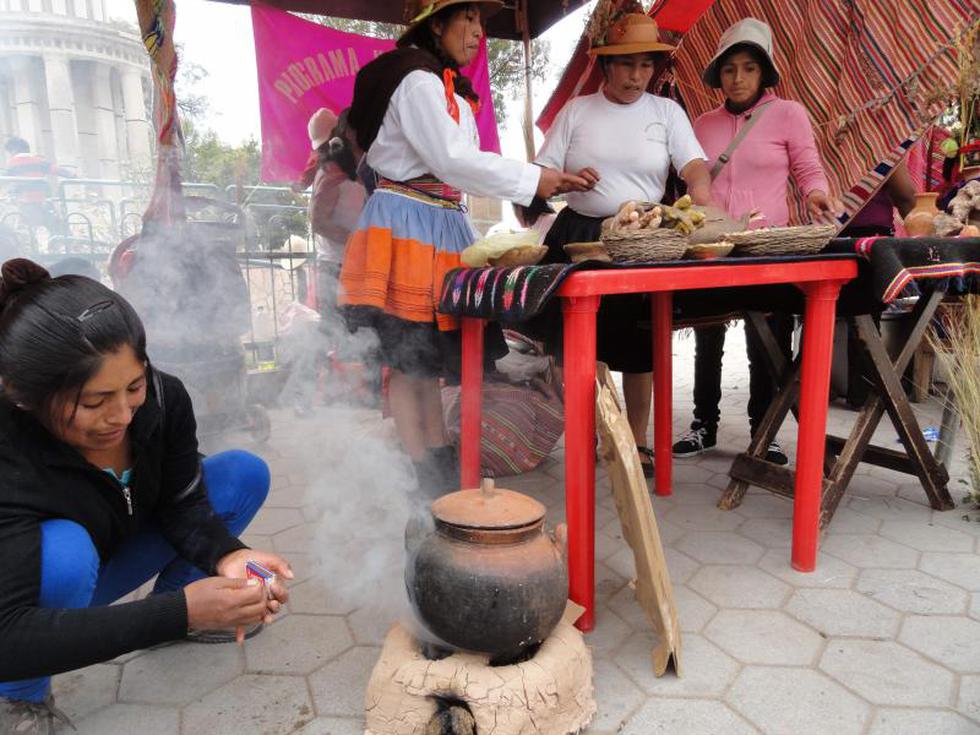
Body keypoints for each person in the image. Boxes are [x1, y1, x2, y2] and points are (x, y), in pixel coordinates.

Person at [0, 259, 292, 734]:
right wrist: (178, 614)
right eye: (94, 402)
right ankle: (21, 700)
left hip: (117, 549)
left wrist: (229, 557)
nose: (122, 415)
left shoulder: (163, 397)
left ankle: (184, 607)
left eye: (132, 386)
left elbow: (183, 503)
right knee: (65, 551)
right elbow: (6, 633)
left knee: (240, 473)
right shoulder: (9, 446)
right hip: (41, 597)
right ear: (25, 397)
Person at [339, 0, 589, 496]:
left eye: (480, 20)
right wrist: (536, 178)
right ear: (437, 24)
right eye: (468, 18)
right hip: (407, 224)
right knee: (409, 362)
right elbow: (451, 159)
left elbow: (462, 164)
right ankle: (422, 473)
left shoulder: (444, 84)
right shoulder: (417, 81)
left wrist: (537, 184)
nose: (479, 31)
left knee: (427, 361)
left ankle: (438, 460)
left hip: (436, 224)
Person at [535, 7, 712, 477]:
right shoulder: (576, 113)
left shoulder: (666, 112)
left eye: (646, 65)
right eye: (627, 64)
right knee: (581, 343)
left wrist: (702, 204)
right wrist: (566, 181)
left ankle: (635, 443)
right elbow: (538, 177)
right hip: (580, 238)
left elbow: (694, 167)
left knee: (640, 345)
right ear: (607, 66)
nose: (637, 76)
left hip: (642, 242)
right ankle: (596, 436)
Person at [672, 17, 839, 465]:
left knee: (769, 340)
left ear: (763, 71)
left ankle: (765, 432)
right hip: (713, 246)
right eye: (730, 70)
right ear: (719, 76)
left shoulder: (789, 113)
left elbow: (807, 166)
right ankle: (702, 424)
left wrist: (817, 194)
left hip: (769, 248)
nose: (739, 78)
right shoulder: (702, 123)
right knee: (708, 334)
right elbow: (688, 177)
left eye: (748, 67)